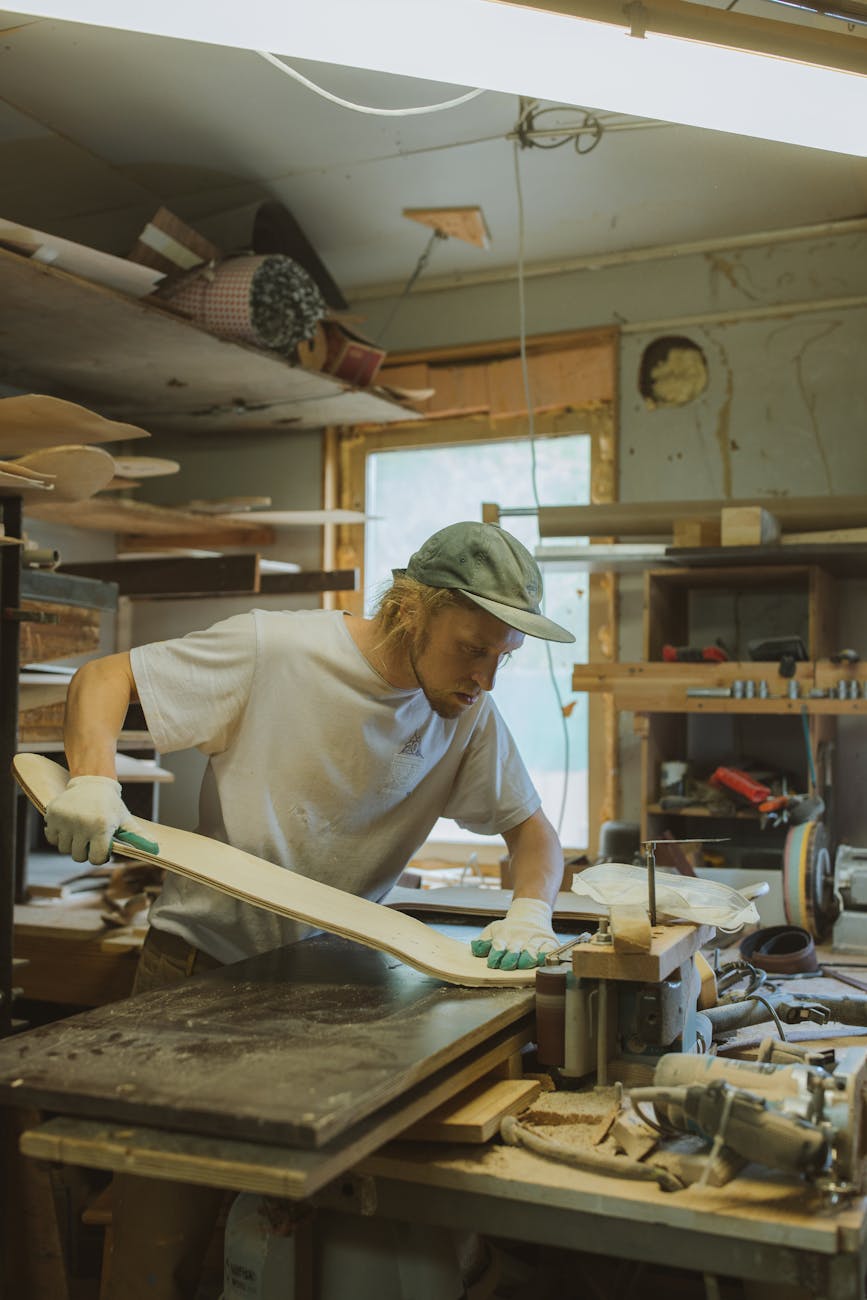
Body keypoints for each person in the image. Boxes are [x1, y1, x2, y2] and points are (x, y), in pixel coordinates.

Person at [43, 519, 575, 1300]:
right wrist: (92, 780)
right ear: (411, 609)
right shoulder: (279, 651)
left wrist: (532, 911)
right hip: (198, 977)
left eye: (505, 656)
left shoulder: (465, 717)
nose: (486, 678)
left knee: (287, 1235)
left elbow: (532, 833)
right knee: (161, 1236)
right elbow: (102, 677)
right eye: (472, 648)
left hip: (334, 990)